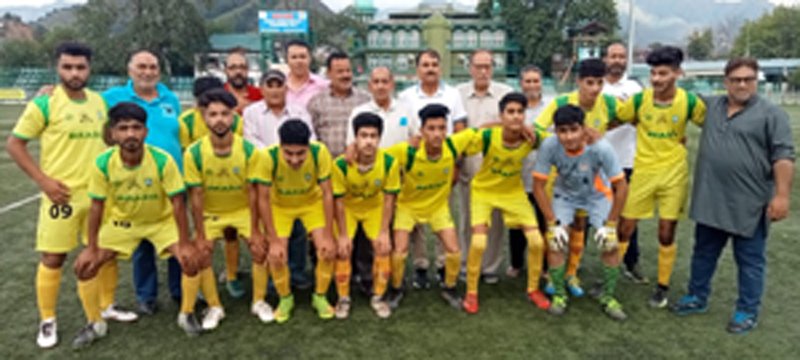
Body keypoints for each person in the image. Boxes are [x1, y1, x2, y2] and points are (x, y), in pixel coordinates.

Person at [6, 41, 137, 349]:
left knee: (106, 251)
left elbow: (113, 138)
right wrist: (43, 181)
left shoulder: (99, 103)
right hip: (60, 196)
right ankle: (48, 319)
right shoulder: (45, 103)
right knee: (54, 256)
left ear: (89, 69)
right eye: (68, 67)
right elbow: (15, 144)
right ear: (58, 68)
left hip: (99, 196)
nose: (74, 73)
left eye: (80, 67)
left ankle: (107, 306)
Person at [673, 57, 794, 334]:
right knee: (703, 253)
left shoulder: (772, 115)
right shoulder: (712, 106)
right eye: (736, 79)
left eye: (748, 79)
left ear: (756, 82)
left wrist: (782, 196)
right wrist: (672, 74)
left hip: (749, 204)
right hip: (711, 199)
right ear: (725, 82)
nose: (742, 84)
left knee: (750, 261)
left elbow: (784, 157)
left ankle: (746, 312)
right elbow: (680, 97)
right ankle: (696, 297)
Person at [71, 102, 202, 347]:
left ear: (145, 131)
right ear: (112, 133)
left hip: (160, 222)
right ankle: (95, 323)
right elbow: (97, 206)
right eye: (123, 128)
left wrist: (185, 243)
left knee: (190, 260)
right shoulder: (102, 163)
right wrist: (91, 246)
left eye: (136, 127)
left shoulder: (163, 160)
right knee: (86, 266)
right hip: (124, 223)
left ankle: (187, 314)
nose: (130, 133)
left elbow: (177, 203)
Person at [615, 46, 706, 309]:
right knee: (625, 228)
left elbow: (713, 127)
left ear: (677, 73)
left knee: (666, 233)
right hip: (642, 172)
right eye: (653, 73)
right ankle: (609, 280)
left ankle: (662, 287)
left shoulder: (689, 102)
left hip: (673, 175)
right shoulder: (640, 100)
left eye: (663, 73)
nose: (656, 79)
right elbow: (617, 118)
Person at [534, 58, 623, 298]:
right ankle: (550, 275)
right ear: (579, 82)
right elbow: (539, 130)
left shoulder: (609, 104)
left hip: (592, 178)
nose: (595, 88)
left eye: (599, 83)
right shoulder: (562, 102)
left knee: (581, 226)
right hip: (563, 174)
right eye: (590, 82)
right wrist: (565, 141)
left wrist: (597, 138)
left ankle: (572, 273)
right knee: (557, 230)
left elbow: (631, 116)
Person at [103, 50, 183, 314]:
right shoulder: (113, 97)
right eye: (141, 67)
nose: (147, 72)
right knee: (142, 240)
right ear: (130, 70)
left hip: (171, 179)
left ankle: (179, 289)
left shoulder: (169, 97)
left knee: (176, 235)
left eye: (152, 67)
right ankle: (146, 296)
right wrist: (50, 90)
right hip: (132, 180)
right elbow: (79, 99)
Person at [183, 89, 271, 328]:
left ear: (234, 117)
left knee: (259, 248)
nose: (219, 119)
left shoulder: (250, 150)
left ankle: (259, 301)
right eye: (213, 114)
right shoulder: (194, 153)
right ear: (205, 118)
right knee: (202, 253)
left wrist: (254, 229)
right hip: (212, 213)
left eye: (225, 113)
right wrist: (200, 234)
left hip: (243, 210)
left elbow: (254, 192)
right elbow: (196, 196)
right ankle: (215, 306)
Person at [532, 105, 629, 321]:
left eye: (573, 130)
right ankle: (559, 294)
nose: (568, 136)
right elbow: (538, 186)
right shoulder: (549, 145)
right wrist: (552, 222)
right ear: (555, 131)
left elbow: (622, 187)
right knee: (555, 240)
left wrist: (611, 225)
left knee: (609, 243)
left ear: (584, 128)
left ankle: (608, 297)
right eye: (562, 131)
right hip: (565, 195)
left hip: (597, 195)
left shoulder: (601, 148)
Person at [462, 93, 547, 314]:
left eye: (520, 112)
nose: (516, 117)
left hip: (513, 193)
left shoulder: (532, 138)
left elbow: (558, 141)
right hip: (484, 191)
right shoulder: (490, 136)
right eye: (510, 112)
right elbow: (466, 140)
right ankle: (471, 292)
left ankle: (533, 289)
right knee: (479, 242)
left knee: (537, 242)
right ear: (501, 115)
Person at [383, 104, 475, 310]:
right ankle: (397, 288)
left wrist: (522, 127)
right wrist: (352, 149)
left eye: (442, 128)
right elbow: (375, 156)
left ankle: (449, 287)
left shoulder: (453, 145)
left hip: (438, 208)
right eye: (431, 129)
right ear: (422, 131)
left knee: (454, 251)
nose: (437, 134)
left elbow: (482, 131)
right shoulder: (407, 150)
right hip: (408, 207)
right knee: (399, 251)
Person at [253, 120, 337, 322]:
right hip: (280, 206)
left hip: (311, 203)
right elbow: (262, 199)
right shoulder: (267, 157)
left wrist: (327, 235)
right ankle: (285, 298)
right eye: (288, 153)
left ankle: (320, 296)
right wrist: (272, 240)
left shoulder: (320, 152)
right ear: (280, 146)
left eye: (300, 153)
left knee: (326, 251)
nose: (294, 159)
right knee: (276, 255)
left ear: (308, 146)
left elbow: (327, 193)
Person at [397, 49, 468, 289]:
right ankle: (420, 266)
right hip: (416, 169)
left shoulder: (452, 94)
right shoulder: (406, 97)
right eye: (425, 64)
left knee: (443, 216)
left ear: (440, 67)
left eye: (434, 64)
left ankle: (442, 265)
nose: (430, 68)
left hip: (443, 168)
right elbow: (405, 130)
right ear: (417, 69)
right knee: (416, 225)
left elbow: (459, 128)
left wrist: (456, 164)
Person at [243, 69, 315, 290]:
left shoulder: (299, 112)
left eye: (278, 85)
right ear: (262, 88)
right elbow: (251, 142)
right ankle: (275, 275)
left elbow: (310, 138)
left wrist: (290, 159)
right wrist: (278, 159)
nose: (274, 90)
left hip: (295, 176)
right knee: (271, 229)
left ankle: (297, 272)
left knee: (298, 230)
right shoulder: (251, 113)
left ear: (286, 88)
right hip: (266, 175)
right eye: (269, 85)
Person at [332, 113, 401, 319]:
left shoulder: (389, 163)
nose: (369, 141)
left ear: (380, 138)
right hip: (349, 210)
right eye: (363, 135)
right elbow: (338, 201)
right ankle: (343, 299)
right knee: (343, 251)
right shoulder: (341, 164)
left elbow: (389, 199)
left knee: (382, 249)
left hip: (374, 209)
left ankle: (378, 297)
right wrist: (343, 234)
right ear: (355, 138)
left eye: (373, 136)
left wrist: (383, 232)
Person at [455, 50, 513, 284]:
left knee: (495, 223)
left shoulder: (504, 94)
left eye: (487, 66)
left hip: (495, 172)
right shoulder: (458, 94)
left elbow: (512, 123)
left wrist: (483, 128)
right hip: (468, 170)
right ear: (470, 68)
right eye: (478, 66)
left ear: (493, 68)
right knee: (467, 220)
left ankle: (489, 267)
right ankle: (466, 264)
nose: (483, 71)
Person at [602, 42, 647, 284]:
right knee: (594, 215)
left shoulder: (634, 88)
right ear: (606, 59)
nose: (617, 60)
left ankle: (631, 262)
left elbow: (642, 118)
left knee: (628, 215)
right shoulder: (595, 85)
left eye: (621, 56)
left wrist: (620, 116)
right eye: (613, 56)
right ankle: (588, 264)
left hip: (626, 160)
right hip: (597, 160)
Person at [507, 65, 553, 278]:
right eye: (528, 81)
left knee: (545, 222)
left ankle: (545, 265)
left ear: (541, 82)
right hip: (519, 175)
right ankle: (516, 264)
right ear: (521, 83)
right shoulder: (515, 107)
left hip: (545, 178)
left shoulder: (552, 106)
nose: (532, 85)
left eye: (536, 80)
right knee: (517, 225)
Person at [346, 67, 417, 148]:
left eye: (385, 82)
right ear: (370, 86)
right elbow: (351, 145)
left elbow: (416, 139)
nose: (380, 86)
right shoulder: (358, 113)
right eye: (376, 82)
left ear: (392, 85)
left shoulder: (406, 111)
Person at [178, 76, 244, 150]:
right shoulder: (186, 121)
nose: (210, 104)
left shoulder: (236, 120)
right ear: (197, 100)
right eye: (205, 100)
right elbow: (184, 152)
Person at [284, 39, 329, 108]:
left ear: (310, 59)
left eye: (303, 57)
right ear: (287, 60)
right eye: (294, 57)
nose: (299, 61)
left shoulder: (323, 86)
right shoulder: (278, 85)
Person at [223, 51, 263, 115]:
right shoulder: (217, 95)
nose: (238, 71)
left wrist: (251, 107)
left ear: (248, 70)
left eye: (242, 67)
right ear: (225, 71)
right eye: (233, 67)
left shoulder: (260, 95)